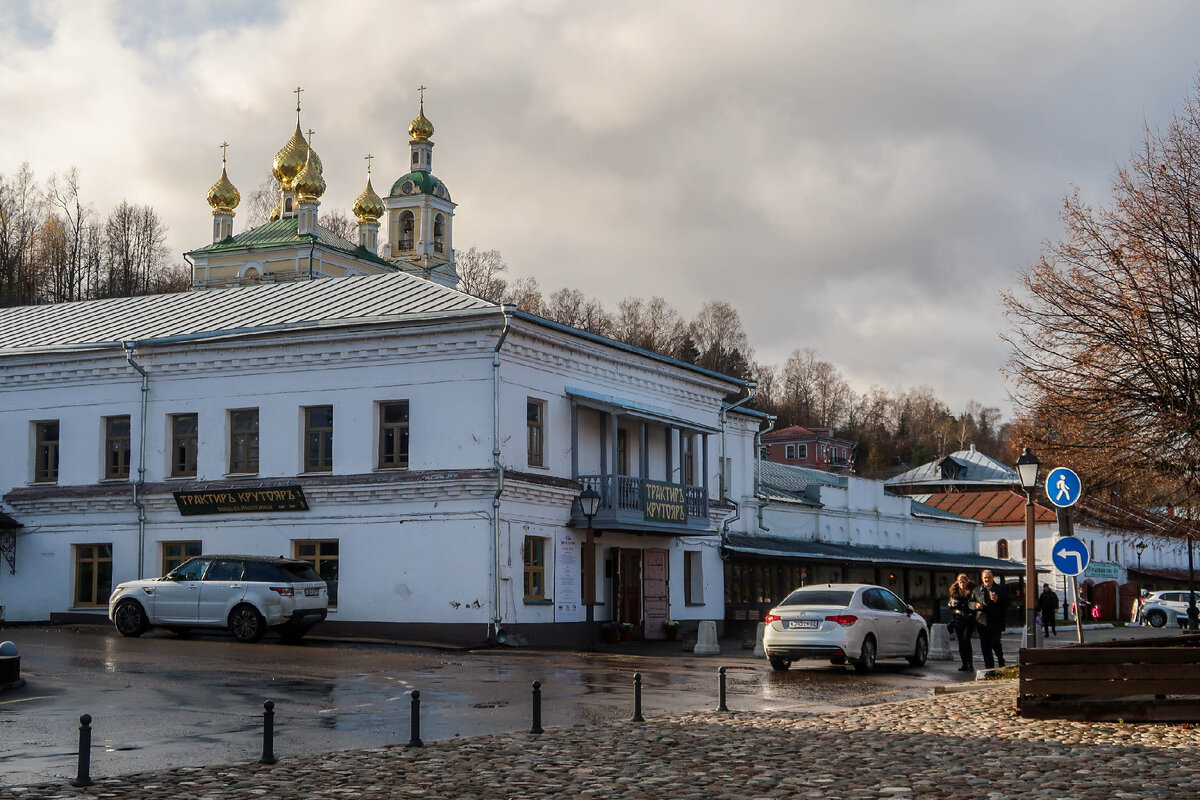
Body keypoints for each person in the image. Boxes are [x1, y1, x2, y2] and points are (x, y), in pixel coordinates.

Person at [971, 569, 1008, 669]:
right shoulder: (977, 590)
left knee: (995, 642)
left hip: (996, 621)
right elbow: (969, 603)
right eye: (985, 578)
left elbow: (1007, 603)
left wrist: (998, 600)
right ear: (982, 579)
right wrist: (975, 605)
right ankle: (989, 667)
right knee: (985, 647)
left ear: (993, 578)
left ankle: (1000, 659)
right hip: (982, 621)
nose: (987, 579)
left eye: (989, 577)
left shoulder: (1000, 589)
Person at [948, 574, 976, 671]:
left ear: (967, 582)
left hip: (969, 619)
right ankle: (964, 664)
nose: (962, 584)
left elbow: (974, 604)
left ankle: (970, 664)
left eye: (964, 582)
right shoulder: (954, 591)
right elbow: (951, 604)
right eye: (960, 582)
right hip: (958, 619)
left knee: (966, 639)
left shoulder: (972, 591)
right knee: (960, 641)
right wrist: (952, 604)